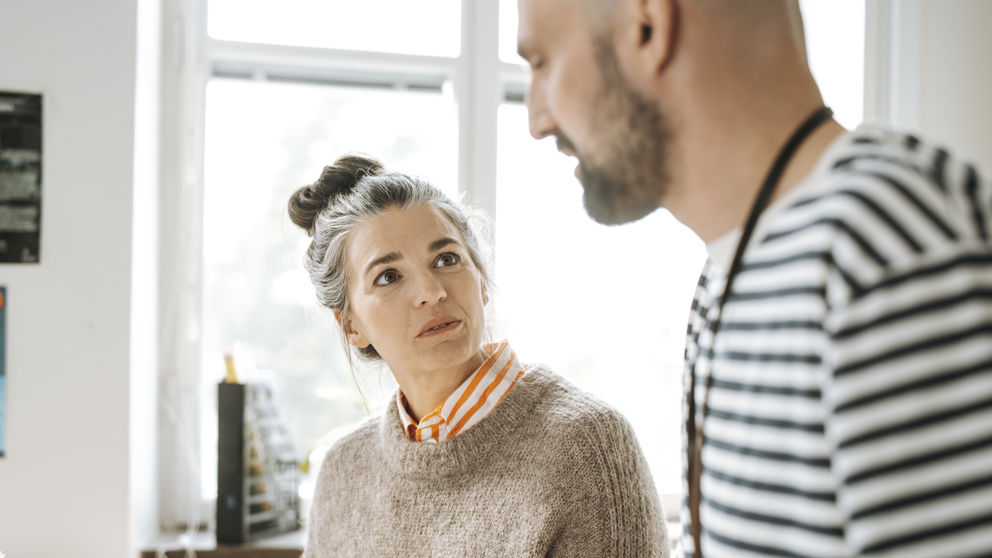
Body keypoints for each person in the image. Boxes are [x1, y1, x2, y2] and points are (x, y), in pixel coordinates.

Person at [517, 0, 992, 557]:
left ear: (648, 26)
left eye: (542, 61)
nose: (536, 119)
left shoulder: (888, 249)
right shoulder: (729, 271)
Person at [288, 154, 669, 557]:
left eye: (446, 259)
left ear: (481, 280)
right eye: (388, 276)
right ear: (351, 326)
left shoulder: (586, 444)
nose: (432, 291)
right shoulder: (342, 471)